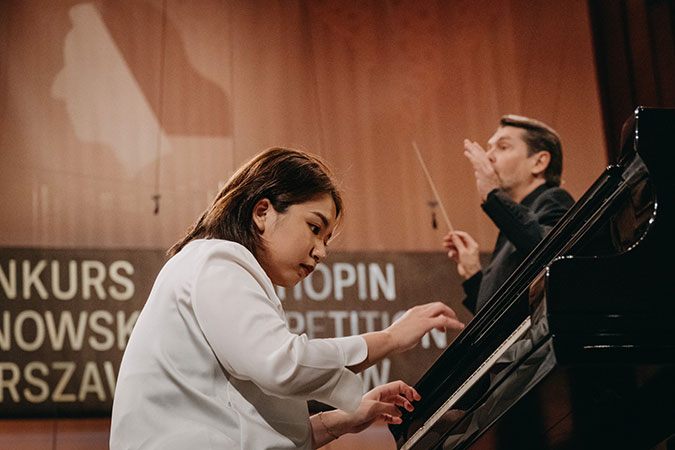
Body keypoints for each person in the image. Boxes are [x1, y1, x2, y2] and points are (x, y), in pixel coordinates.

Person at [110, 147, 465, 450]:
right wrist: (390, 338)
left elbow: (250, 425)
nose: (321, 252)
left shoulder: (222, 269)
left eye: (326, 239)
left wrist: (342, 419)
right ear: (262, 212)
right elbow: (283, 366)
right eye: (314, 228)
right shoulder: (218, 261)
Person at [442, 115, 575, 315]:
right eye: (489, 148)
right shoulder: (514, 221)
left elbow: (549, 254)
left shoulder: (554, 199)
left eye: (503, 147)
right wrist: (472, 272)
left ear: (539, 162)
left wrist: (492, 195)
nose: (489, 157)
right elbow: (498, 315)